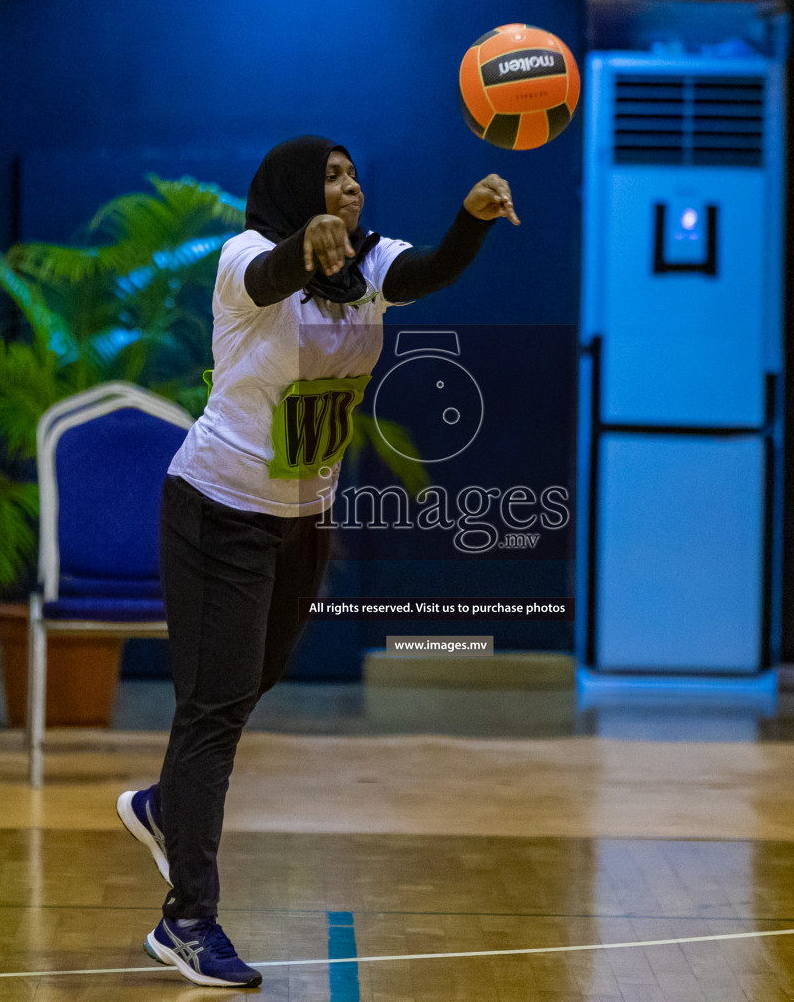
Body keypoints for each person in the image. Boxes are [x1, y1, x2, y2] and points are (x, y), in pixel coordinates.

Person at [117, 134, 518, 988]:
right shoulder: (244, 258)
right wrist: (303, 248)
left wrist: (471, 220)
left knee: (249, 684)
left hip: (301, 518)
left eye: (354, 174)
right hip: (215, 510)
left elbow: (433, 270)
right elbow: (271, 279)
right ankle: (187, 921)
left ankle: (167, 808)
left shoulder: (371, 266)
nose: (350, 187)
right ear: (296, 193)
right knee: (214, 706)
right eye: (331, 177)